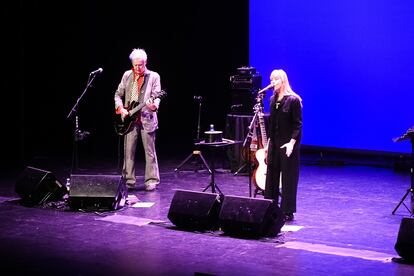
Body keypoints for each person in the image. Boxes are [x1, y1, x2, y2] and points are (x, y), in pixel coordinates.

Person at [114, 48, 161, 191]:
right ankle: (129, 180)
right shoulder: (127, 75)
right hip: (129, 120)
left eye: (140, 65)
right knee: (128, 151)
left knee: (150, 151)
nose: (137, 68)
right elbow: (117, 94)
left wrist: (154, 106)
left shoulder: (153, 76)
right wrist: (120, 108)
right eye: (135, 65)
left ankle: (152, 180)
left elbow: (157, 95)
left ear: (145, 62)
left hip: (147, 118)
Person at [264, 69, 303, 221]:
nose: (272, 82)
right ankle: (270, 206)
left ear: (283, 81)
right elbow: (272, 125)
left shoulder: (293, 100)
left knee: (288, 177)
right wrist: (268, 145)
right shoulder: (273, 100)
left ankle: (287, 210)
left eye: (275, 79)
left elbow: (297, 125)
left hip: (288, 144)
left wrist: (292, 143)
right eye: (271, 79)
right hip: (274, 143)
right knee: (272, 176)